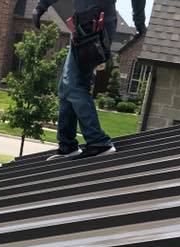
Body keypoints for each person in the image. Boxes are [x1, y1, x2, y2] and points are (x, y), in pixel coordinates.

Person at [33, 0, 146, 159]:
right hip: (82, 25)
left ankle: (98, 142)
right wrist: (41, 6)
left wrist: (139, 21)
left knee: (73, 85)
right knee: (65, 88)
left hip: (97, 26)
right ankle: (67, 145)